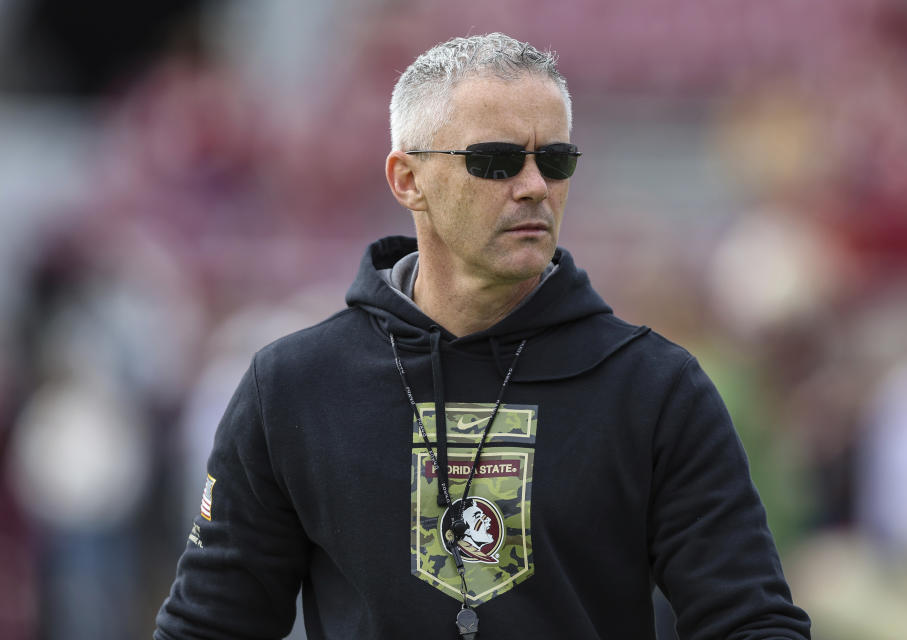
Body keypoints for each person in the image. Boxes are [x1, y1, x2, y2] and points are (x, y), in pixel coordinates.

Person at [155, 33, 811, 640]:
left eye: (554, 160)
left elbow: (750, 623)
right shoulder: (293, 387)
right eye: (494, 161)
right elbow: (209, 626)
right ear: (408, 180)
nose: (534, 188)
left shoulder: (656, 389)